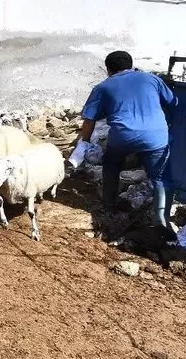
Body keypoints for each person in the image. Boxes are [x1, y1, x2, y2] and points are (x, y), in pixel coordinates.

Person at [74, 50, 178, 229]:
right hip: (156, 136)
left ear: (108, 69)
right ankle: (162, 219)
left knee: (111, 166)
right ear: (131, 65)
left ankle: (108, 207)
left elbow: (89, 119)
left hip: (123, 136)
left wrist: (85, 142)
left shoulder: (103, 87)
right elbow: (173, 102)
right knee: (161, 178)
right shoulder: (151, 79)